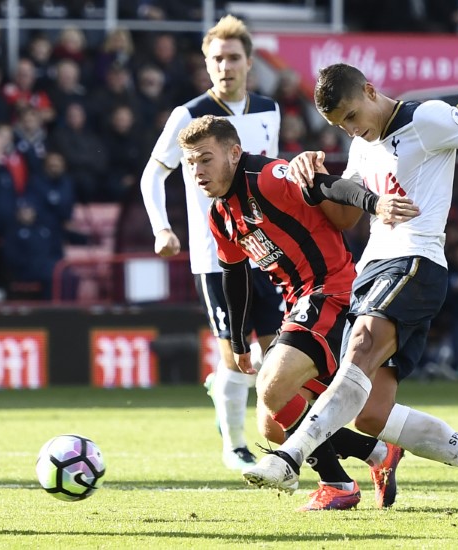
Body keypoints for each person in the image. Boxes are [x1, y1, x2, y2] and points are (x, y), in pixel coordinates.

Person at [242, 62, 458, 516]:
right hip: (371, 270)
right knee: (372, 416)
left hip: (416, 262)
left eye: (352, 117)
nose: (351, 129)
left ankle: (289, 456)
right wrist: (315, 182)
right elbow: (346, 218)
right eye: (340, 125)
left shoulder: (427, 119)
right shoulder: (361, 145)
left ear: (370, 90)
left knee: (358, 346)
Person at [179, 114, 414, 510]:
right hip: (299, 302)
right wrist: (238, 340)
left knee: (272, 388)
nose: (197, 172)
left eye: (205, 159)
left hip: (333, 289)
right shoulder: (221, 215)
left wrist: (375, 203)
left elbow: (326, 186)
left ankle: (337, 484)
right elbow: (234, 277)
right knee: (272, 424)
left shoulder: (267, 175)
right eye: (190, 164)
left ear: (234, 153)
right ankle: (378, 453)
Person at [140, 15, 284, 471]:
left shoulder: (269, 110)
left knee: (280, 353)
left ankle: (276, 429)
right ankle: (236, 444)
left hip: (266, 251)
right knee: (239, 357)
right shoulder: (189, 115)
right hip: (215, 255)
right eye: (217, 59)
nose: (225, 66)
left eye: (233, 57)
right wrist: (163, 228)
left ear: (249, 62)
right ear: (206, 65)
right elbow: (152, 173)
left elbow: (267, 178)